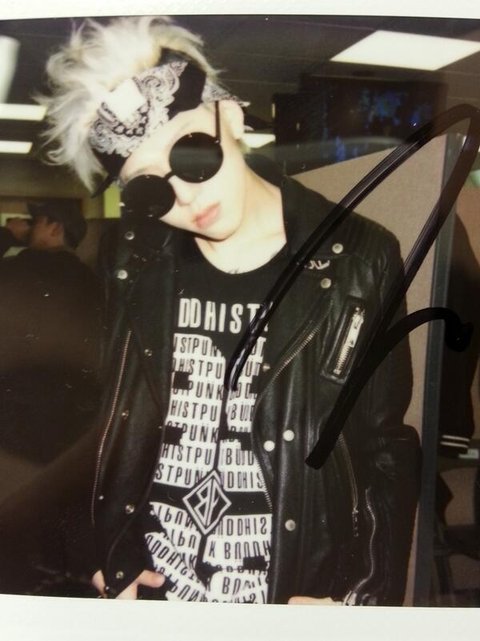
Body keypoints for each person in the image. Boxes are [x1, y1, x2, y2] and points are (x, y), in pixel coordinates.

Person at [36, 15, 420, 604]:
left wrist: (361, 598)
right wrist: (96, 550)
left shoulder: (359, 257)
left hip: (286, 596)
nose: (184, 195)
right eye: (149, 187)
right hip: (157, 598)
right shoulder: (132, 263)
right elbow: (96, 419)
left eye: (191, 153)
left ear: (231, 116)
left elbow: (385, 446)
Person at [0, 199, 103, 464]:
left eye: (37, 222)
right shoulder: (90, 280)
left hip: (12, 402)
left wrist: (8, 234)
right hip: (64, 412)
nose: (30, 228)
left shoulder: (21, 267)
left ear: (55, 228)